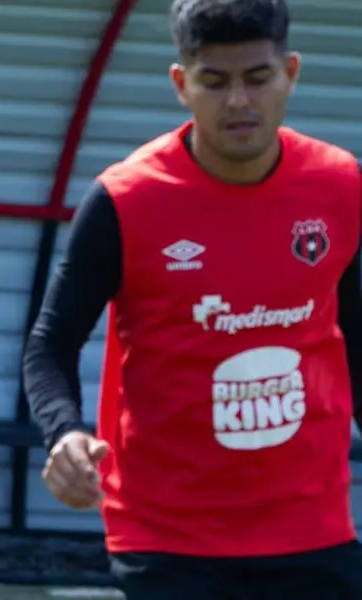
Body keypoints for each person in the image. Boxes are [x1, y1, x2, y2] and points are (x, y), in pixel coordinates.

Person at [22, 0, 362, 597]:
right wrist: (64, 432)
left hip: (311, 524)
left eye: (258, 78)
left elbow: (354, 333)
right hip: (166, 533)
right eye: (215, 80)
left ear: (292, 72)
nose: (238, 101)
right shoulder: (124, 200)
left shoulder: (341, 186)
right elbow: (51, 343)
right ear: (182, 83)